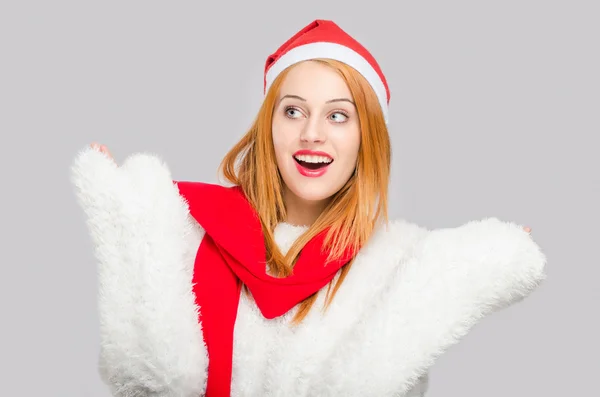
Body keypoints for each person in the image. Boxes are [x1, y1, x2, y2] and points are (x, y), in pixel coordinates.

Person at [71, 19, 546, 397]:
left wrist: (481, 264)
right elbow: (139, 379)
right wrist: (128, 227)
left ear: (367, 139)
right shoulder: (187, 230)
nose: (312, 133)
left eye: (338, 115)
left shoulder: (399, 266)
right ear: (269, 126)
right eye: (293, 111)